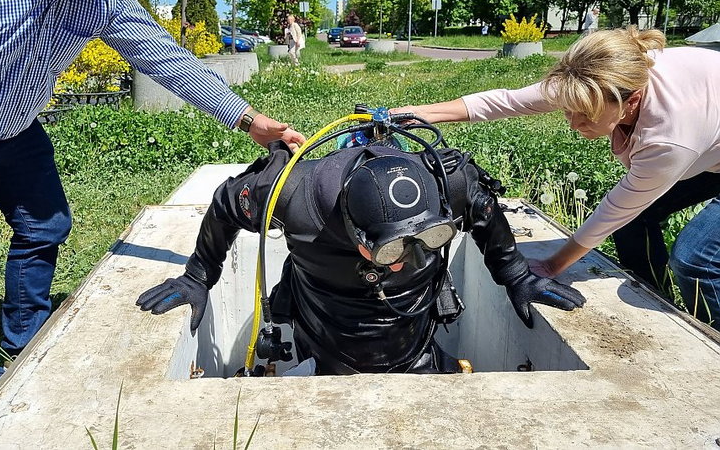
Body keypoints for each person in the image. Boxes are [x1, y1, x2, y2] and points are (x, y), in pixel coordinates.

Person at [0, 0, 305, 409]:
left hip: (13, 126)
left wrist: (248, 120)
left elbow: (166, 58)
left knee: (47, 224)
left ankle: (28, 343)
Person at [137, 138, 585, 375]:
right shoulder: (290, 193)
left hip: (416, 340)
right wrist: (198, 275)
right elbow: (224, 205)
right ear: (353, 230)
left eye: (428, 239)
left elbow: (484, 210)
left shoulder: (450, 182)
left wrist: (515, 274)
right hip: (322, 334)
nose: (399, 262)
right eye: (388, 249)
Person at [394, 27, 720, 328]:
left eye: (587, 114)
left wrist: (551, 267)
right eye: (567, 109)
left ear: (631, 101)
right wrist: (418, 112)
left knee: (696, 260)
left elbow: (616, 210)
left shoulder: (668, 138)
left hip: (700, 142)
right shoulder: (593, 77)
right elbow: (507, 101)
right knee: (637, 224)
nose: (574, 123)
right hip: (708, 143)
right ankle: (656, 300)